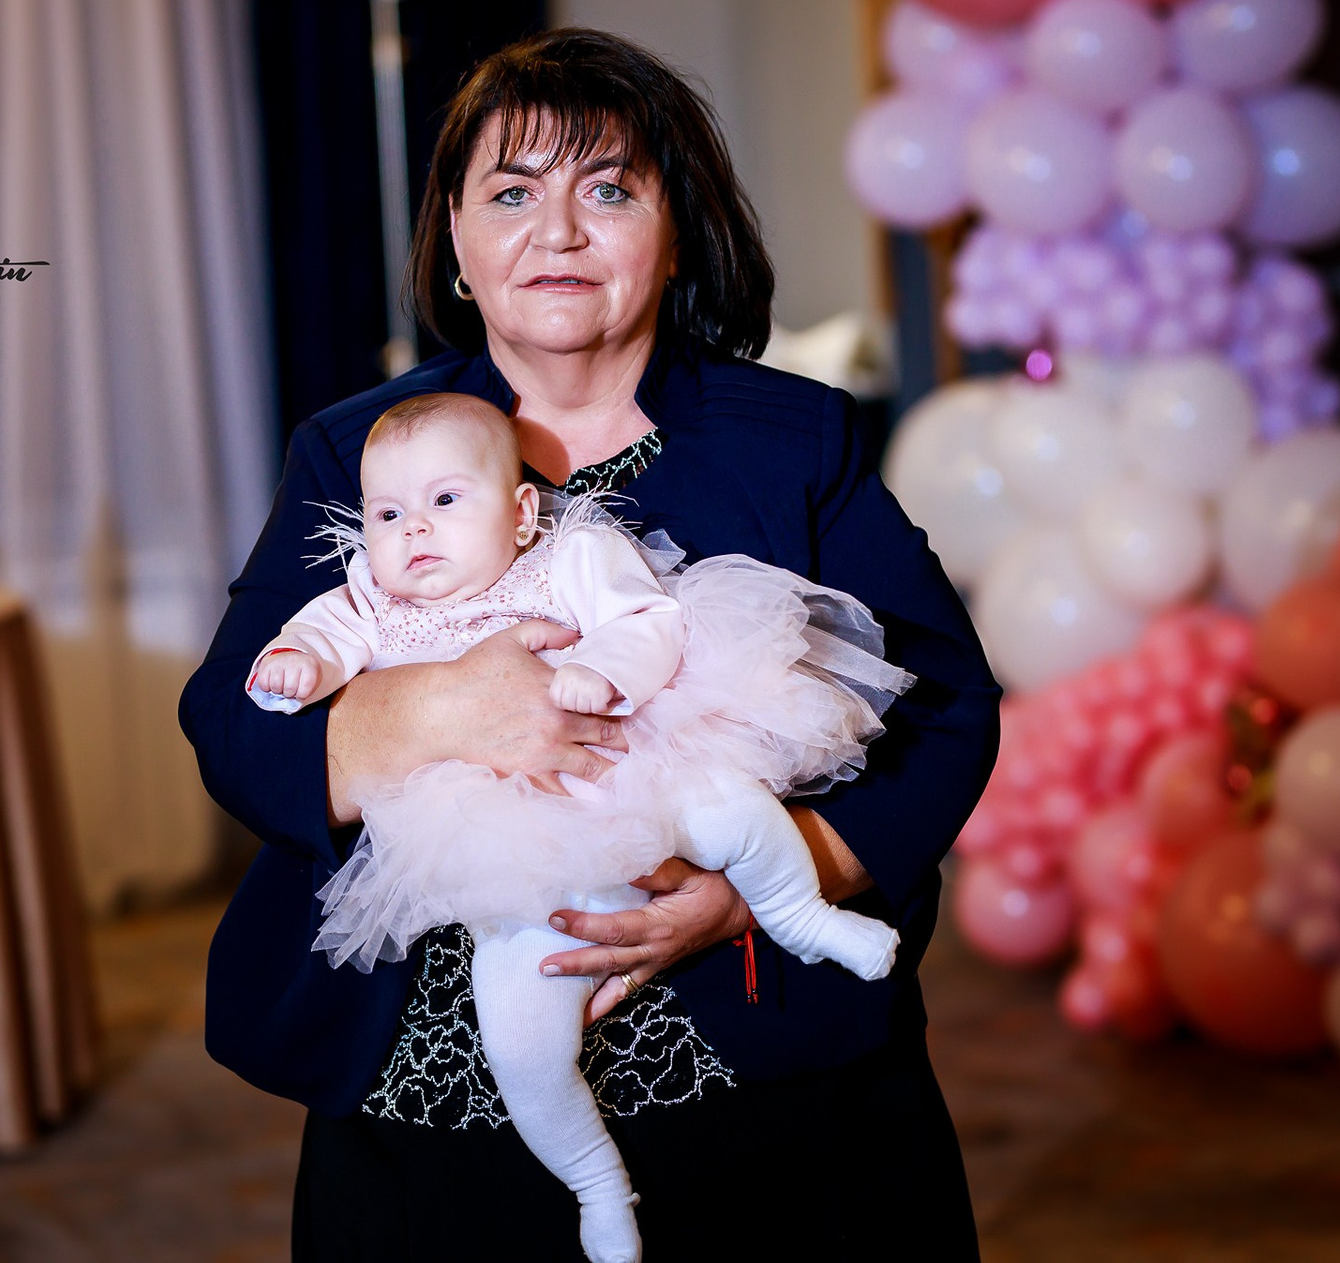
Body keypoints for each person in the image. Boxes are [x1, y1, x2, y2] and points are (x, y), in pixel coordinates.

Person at [180, 28, 1000, 1260]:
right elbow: (234, 726)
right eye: (511, 194)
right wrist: (438, 707)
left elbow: (945, 706)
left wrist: (764, 885)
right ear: (457, 241)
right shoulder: (354, 449)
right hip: (430, 1100)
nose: (556, 232)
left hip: (767, 1083)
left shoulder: (791, 440)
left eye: (608, 190)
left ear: (676, 235)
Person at [246, 390, 914, 1262]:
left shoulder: (568, 555)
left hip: (627, 776)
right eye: (388, 514)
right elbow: (306, 647)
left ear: (522, 512)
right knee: (520, 1042)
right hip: (512, 860)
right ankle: (598, 1187)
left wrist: (605, 668)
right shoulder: (370, 599)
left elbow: (648, 619)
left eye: (444, 501)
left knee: (733, 811)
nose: (415, 530)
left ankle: (799, 912)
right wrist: (293, 664)